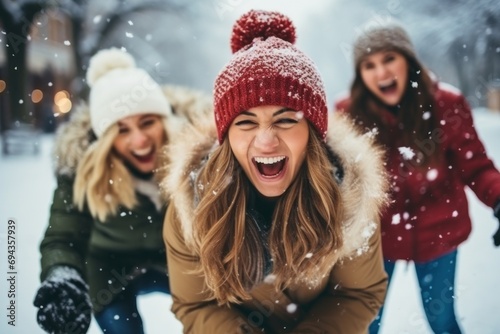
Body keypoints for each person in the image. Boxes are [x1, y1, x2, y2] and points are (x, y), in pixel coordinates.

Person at [161, 10, 389, 333]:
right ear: (226, 138)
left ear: (312, 132)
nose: (266, 141)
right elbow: (195, 303)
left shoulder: (350, 198)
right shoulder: (193, 205)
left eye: (285, 120)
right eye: (246, 122)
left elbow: (358, 293)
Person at [335, 21, 500, 334]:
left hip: (440, 235)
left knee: (442, 321)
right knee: (365, 324)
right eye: (369, 65)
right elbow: (337, 182)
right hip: (375, 242)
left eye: (389, 59)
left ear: (408, 60)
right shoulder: (348, 115)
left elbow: (475, 166)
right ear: (360, 74)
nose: (381, 72)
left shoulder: (446, 106)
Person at [33, 47, 211, 334]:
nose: (139, 140)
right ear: (104, 137)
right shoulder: (80, 169)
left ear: (164, 120)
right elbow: (62, 238)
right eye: (121, 129)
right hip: (110, 274)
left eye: (148, 122)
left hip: (184, 266)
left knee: (213, 321)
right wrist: (63, 274)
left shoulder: (197, 157)